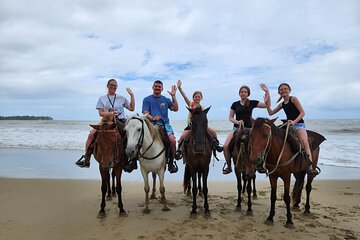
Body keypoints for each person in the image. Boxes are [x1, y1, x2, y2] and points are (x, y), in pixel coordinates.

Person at [260, 83, 318, 176]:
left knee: (304, 142)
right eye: (281, 89)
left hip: (299, 125)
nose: (283, 91)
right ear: (279, 92)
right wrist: (267, 100)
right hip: (288, 125)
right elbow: (270, 113)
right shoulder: (282, 104)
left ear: (289, 90)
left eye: (285, 89)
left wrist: (294, 122)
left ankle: (310, 167)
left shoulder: (293, 99)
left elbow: (302, 113)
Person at [75, 79, 135, 170]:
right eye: (111, 85)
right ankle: (86, 158)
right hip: (106, 121)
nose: (113, 87)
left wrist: (132, 95)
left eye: (115, 85)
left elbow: (131, 108)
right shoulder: (102, 98)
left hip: (121, 120)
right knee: (91, 135)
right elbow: (101, 113)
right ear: (107, 86)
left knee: (130, 136)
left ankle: (131, 160)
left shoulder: (121, 98)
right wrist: (111, 114)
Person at [222, 85, 268, 174]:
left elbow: (266, 105)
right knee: (226, 146)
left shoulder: (252, 103)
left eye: (245, 92)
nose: (243, 93)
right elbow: (230, 117)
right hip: (237, 129)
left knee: (259, 144)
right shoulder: (235, 104)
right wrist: (238, 122)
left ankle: (261, 164)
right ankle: (229, 166)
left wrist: (267, 93)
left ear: (248, 94)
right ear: (239, 93)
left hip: (250, 129)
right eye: (242, 92)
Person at [175, 80, 223, 160]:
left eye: (199, 96)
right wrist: (180, 88)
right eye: (195, 97)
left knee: (213, 132)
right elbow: (184, 96)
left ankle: (216, 145)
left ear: (201, 98)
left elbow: (205, 120)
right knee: (183, 136)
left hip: (202, 127)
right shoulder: (191, 104)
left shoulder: (203, 108)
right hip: (191, 127)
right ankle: (179, 150)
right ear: (193, 98)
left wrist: (205, 127)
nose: (197, 98)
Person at [142, 80, 179, 174]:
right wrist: (152, 118)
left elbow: (175, 109)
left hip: (165, 125)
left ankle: (171, 162)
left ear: (162, 89)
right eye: (156, 86)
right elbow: (145, 113)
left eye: (159, 87)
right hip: (151, 125)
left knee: (172, 141)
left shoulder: (166, 100)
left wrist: (173, 96)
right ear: (152, 87)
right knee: (139, 138)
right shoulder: (147, 99)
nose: (157, 88)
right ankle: (134, 160)